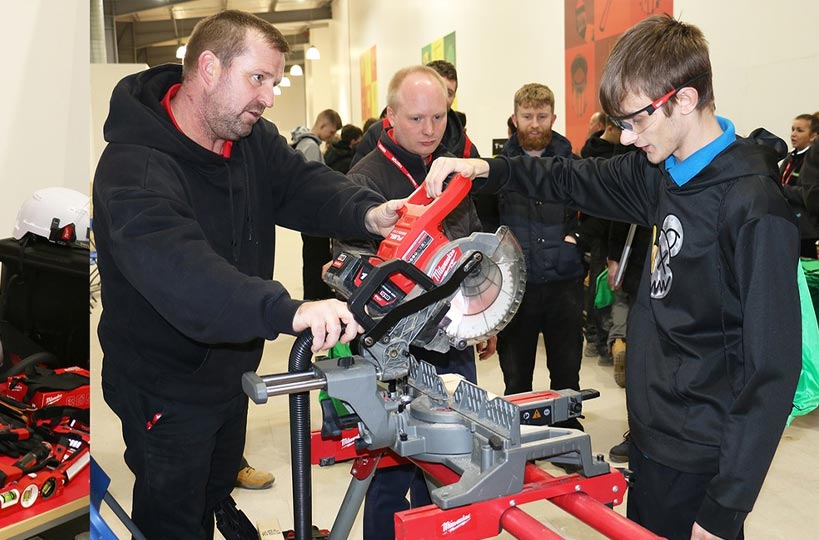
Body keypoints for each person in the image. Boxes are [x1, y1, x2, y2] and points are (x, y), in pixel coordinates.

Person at [424, 15, 801, 540]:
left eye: (635, 119)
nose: (625, 137)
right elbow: (574, 177)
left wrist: (726, 506)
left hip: (701, 452)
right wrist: (490, 169)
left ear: (685, 99)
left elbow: (772, 370)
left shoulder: (752, 209)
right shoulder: (662, 172)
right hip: (651, 434)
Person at [92, 11, 403, 540]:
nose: (269, 96)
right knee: (175, 519)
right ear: (209, 68)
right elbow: (186, 274)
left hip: (231, 368)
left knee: (215, 490)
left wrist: (368, 213)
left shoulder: (249, 138)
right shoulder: (135, 169)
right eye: (258, 78)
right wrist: (289, 309)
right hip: (163, 385)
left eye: (274, 82)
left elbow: (302, 185)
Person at [333, 65, 493, 540]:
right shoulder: (365, 179)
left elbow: (473, 246)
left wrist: (484, 313)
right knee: (388, 473)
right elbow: (352, 270)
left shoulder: (455, 166)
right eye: (417, 119)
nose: (430, 130)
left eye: (439, 118)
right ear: (390, 116)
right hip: (391, 351)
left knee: (450, 466)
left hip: (454, 340)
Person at [494, 83, 585, 428]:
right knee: (516, 371)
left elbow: (594, 213)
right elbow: (487, 223)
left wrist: (575, 239)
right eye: (528, 116)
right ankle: (523, 430)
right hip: (516, 286)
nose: (535, 124)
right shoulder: (500, 168)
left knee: (566, 366)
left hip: (565, 281)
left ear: (553, 118)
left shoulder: (571, 164)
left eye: (542, 117)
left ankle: (567, 426)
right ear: (515, 118)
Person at [291, 109, 344, 300]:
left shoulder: (303, 143)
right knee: (316, 264)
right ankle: (315, 302)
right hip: (314, 218)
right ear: (322, 125)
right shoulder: (311, 146)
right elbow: (312, 185)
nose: (332, 137)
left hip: (306, 217)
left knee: (311, 262)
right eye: (331, 132)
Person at [781, 113, 819, 257]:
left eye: (800, 130)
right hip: (787, 227)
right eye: (792, 129)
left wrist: (784, 189)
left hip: (808, 231)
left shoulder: (813, 161)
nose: (793, 134)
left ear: (813, 135)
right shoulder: (789, 158)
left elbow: (808, 194)